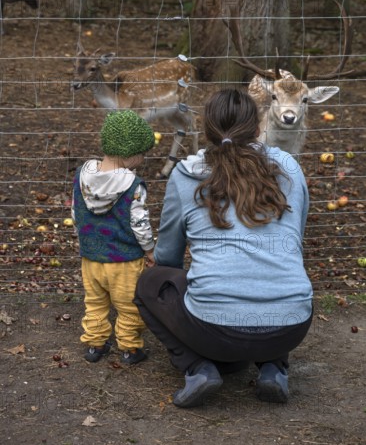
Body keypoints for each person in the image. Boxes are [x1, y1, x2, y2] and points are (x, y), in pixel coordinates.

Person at [134, 88, 313, 407]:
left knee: (149, 284)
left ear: (206, 132)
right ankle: (274, 368)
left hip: (214, 331)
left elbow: (168, 257)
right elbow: (293, 241)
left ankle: (198, 367)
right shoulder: (288, 166)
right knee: (276, 268)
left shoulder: (186, 174)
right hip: (291, 325)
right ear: (258, 129)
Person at [72, 109, 155, 365]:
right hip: (125, 261)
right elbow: (139, 223)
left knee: (95, 302)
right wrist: (150, 250)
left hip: (91, 259)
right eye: (142, 154)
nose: (142, 160)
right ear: (129, 154)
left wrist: (84, 240)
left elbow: (75, 213)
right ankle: (130, 348)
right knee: (129, 305)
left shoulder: (82, 176)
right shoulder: (132, 185)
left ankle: (95, 346)